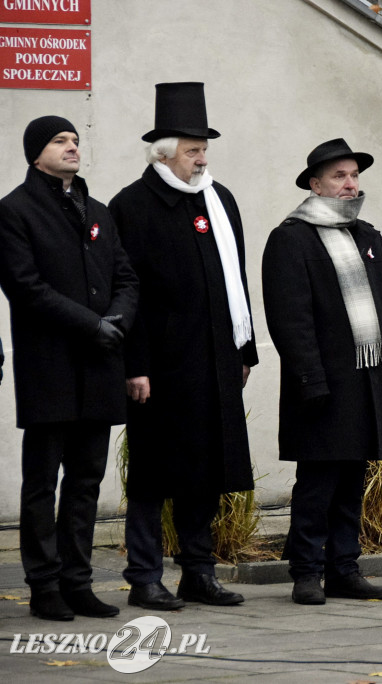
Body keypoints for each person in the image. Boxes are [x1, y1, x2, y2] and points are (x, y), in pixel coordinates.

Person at [109, 82, 258, 610]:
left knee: (207, 471)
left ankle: (199, 571)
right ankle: (145, 576)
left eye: (203, 150)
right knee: (154, 475)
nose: (202, 159)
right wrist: (136, 364)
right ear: (164, 154)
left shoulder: (219, 201)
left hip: (216, 359)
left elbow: (235, 279)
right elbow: (127, 292)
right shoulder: (132, 205)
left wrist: (245, 351)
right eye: (193, 150)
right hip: (162, 367)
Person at [262, 138, 382, 605]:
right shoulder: (292, 237)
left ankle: (344, 568)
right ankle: (306, 571)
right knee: (318, 483)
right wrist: (311, 378)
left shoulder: (367, 237)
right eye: (339, 176)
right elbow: (291, 319)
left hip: (366, 382)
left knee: (353, 480)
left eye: (354, 176)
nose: (351, 184)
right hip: (324, 384)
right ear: (315, 184)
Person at [0, 116, 138, 620]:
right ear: (36, 153)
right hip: (50, 367)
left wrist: (117, 320)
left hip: (99, 364)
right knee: (42, 482)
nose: (72, 147)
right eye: (60, 141)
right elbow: (25, 286)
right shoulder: (15, 211)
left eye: (76, 140)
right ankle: (44, 585)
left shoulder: (97, 210)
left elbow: (126, 275)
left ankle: (78, 581)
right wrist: (90, 324)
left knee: (86, 480)